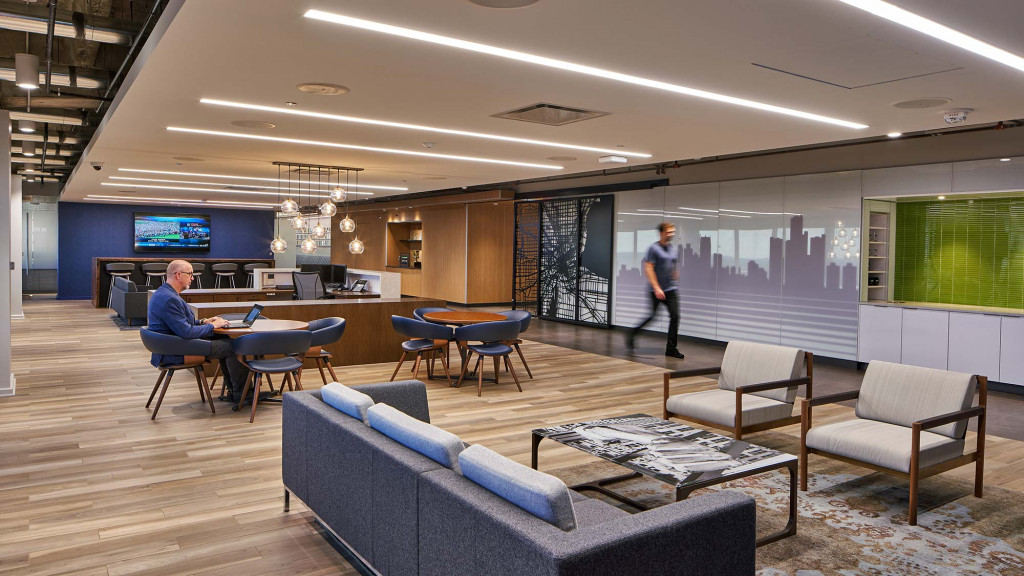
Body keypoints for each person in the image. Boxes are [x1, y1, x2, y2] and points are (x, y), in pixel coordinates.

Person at [147, 260, 251, 402]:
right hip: (175, 351)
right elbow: (186, 332)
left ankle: (234, 391)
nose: (192, 278)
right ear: (178, 275)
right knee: (234, 347)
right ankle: (242, 394)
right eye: (190, 274)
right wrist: (213, 326)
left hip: (169, 345)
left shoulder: (164, 293)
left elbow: (179, 324)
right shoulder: (170, 299)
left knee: (226, 342)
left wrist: (203, 322)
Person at [628, 222, 685, 359]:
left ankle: (671, 348)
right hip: (656, 290)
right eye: (669, 232)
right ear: (662, 233)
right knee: (652, 316)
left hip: (671, 289)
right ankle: (632, 334)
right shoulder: (653, 249)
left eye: (673, 232)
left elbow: (672, 266)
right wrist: (656, 287)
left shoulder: (672, 248)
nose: (672, 234)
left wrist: (674, 275)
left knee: (675, 316)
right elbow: (648, 268)